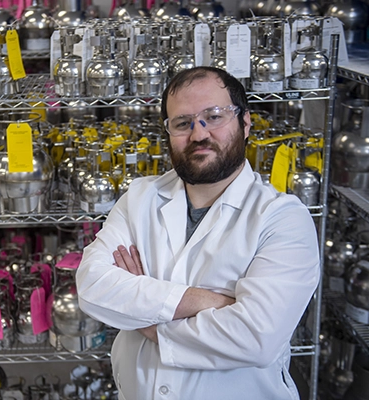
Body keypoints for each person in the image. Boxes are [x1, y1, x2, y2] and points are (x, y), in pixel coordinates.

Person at [75, 66, 321, 400]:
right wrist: (210, 302)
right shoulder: (140, 198)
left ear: (245, 123)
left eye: (214, 116)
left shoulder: (283, 218)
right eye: (182, 123)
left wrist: (146, 321)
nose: (198, 134)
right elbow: (92, 286)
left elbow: (255, 337)